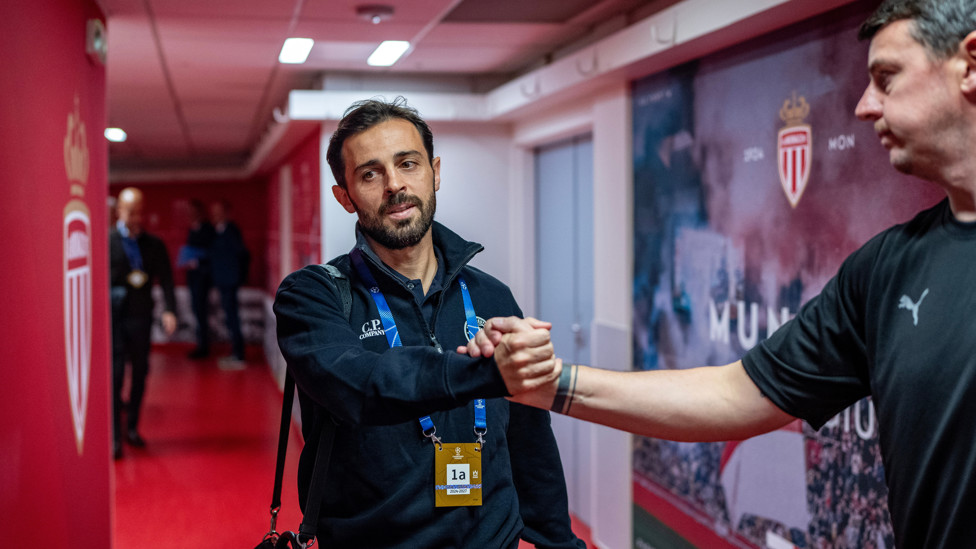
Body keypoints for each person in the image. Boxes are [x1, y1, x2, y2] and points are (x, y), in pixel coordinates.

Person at [465, 1, 976, 547]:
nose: (863, 106)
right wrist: (550, 384)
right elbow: (738, 394)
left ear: (969, 65)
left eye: (886, 78)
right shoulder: (887, 269)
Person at [273, 97, 584, 548]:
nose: (395, 185)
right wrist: (485, 374)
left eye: (408, 163)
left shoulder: (490, 296)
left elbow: (529, 443)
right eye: (370, 173)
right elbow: (358, 385)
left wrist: (562, 544)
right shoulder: (313, 296)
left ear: (435, 172)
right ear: (345, 197)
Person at [109, 187, 177, 458]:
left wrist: (169, 310)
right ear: (119, 212)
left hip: (141, 318)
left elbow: (168, 279)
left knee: (140, 373)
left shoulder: (153, 244)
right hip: (114, 321)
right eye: (129, 211)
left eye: (138, 211)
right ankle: (114, 436)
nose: (135, 217)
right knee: (114, 378)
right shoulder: (108, 241)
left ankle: (133, 427)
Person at [210, 199, 248, 366]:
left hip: (230, 280)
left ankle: (238, 354)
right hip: (222, 280)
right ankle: (235, 352)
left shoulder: (232, 231)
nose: (215, 216)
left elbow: (240, 255)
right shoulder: (217, 231)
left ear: (226, 213)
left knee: (232, 317)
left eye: (219, 212)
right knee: (229, 316)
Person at [180, 199, 215, 359]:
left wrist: (198, 261)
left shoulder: (207, 229)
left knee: (201, 311)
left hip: (202, 277)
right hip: (193, 277)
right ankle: (200, 344)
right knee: (196, 310)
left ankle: (204, 346)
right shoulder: (192, 229)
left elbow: (212, 252)